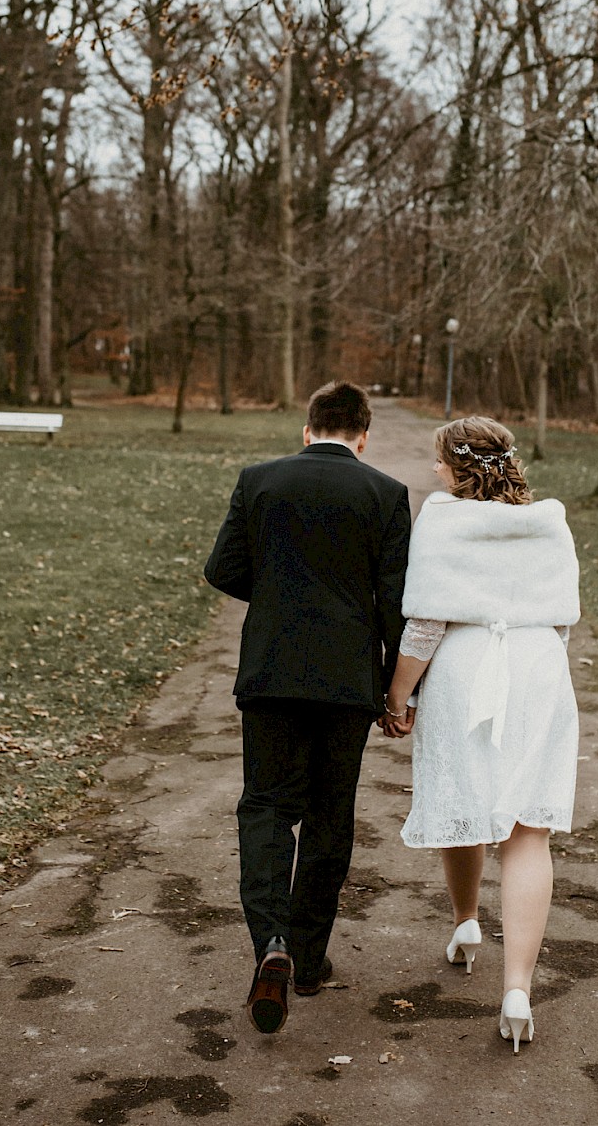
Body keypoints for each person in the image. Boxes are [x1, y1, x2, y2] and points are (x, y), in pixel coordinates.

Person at [204, 380, 412, 1035]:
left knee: (266, 805)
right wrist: (395, 689)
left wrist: (276, 590)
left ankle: (272, 941)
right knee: (329, 813)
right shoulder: (386, 494)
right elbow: (394, 601)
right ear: (363, 434)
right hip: (347, 681)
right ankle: (311, 953)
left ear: (307, 428)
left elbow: (223, 568)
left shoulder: (259, 480)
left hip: (272, 671)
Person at [380, 416, 579, 1052]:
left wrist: (397, 696)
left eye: (438, 462)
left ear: (453, 466)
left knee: (464, 800)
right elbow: (562, 624)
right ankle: (517, 987)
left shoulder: (441, 519)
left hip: (467, 670)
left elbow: (424, 626)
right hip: (539, 667)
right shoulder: (550, 520)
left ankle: (467, 923)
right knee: (528, 830)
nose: (434, 471)